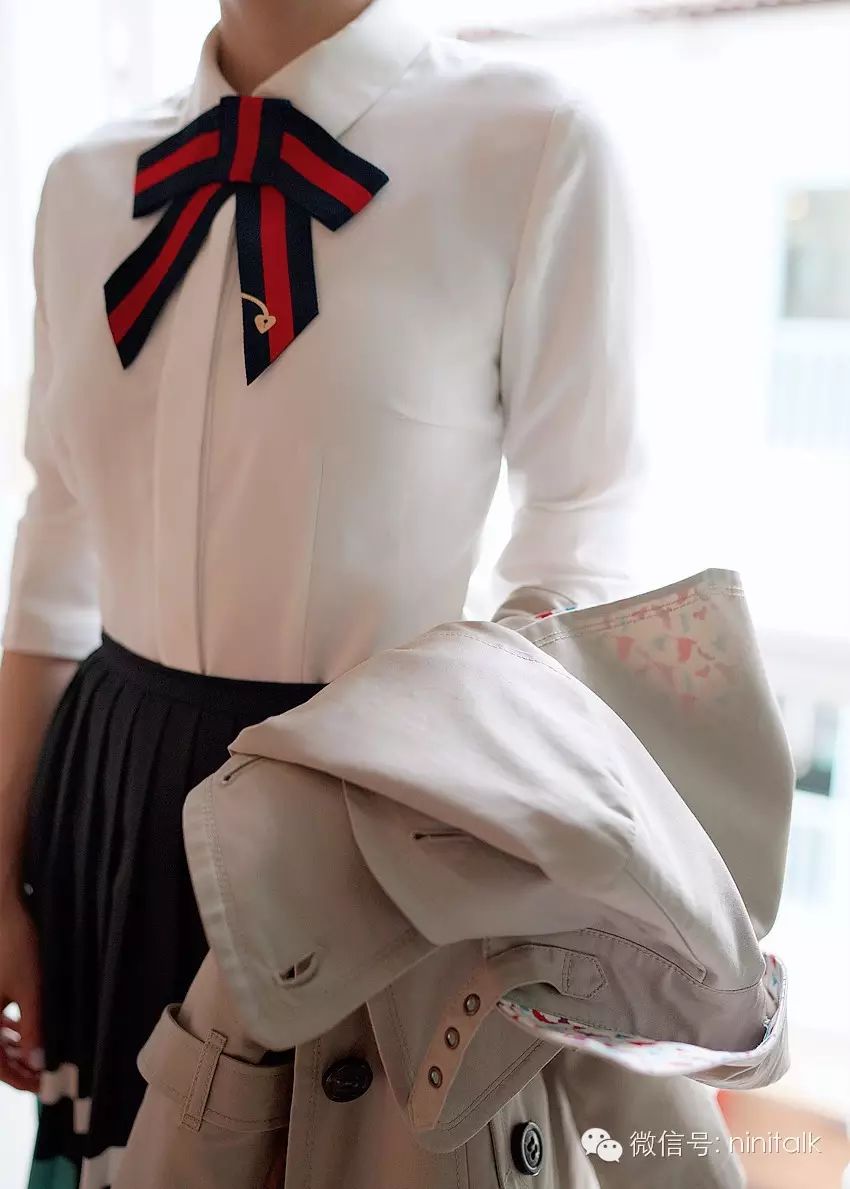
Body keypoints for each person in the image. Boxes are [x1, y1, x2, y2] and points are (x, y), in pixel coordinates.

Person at [0, 0, 649, 1185]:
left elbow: (582, 535)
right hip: (111, 810)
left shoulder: (533, 140)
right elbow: (55, 543)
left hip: (366, 835)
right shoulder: (86, 181)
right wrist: (2, 875)